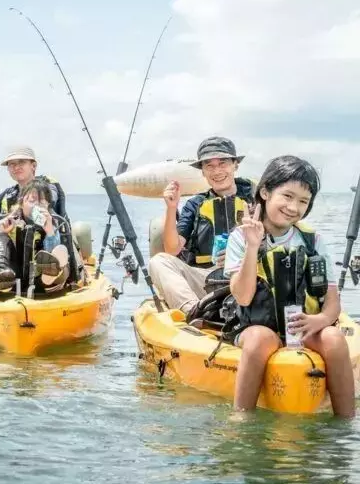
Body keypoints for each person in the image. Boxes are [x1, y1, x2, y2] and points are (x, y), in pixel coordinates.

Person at [224, 155, 354, 418]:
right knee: (261, 338)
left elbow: (332, 300)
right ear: (265, 192)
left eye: (303, 201)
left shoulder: (312, 240)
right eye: (287, 196)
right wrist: (252, 245)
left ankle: (346, 424)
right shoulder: (241, 237)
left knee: (334, 337)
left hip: (302, 328)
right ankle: (240, 419)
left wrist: (321, 319)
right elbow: (244, 296)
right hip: (257, 326)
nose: (294, 207)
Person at [149, 137, 255, 317]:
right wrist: (171, 207)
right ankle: (194, 311)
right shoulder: (195, 204)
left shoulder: (256, 197)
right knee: (158, 261)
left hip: (249, 274)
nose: (217, 171)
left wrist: (240, 257)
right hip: (207, 277)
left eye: (223, 163)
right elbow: (173, 249)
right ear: (203, 172)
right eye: (209, 166)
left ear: (235, 165)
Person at [0, 179, 69, 292]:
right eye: (32, 200)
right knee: (2, 237)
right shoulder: (8, 222)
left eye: (42, 202)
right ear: (21, 202)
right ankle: (0, 272)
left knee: (57, 253)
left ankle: (50, 274)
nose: (36, 205)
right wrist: (0, 232)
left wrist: (50, 233)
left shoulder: (51, 224)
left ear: (48, 205)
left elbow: (54, 254)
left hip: (40, 280)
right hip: (12, 277)